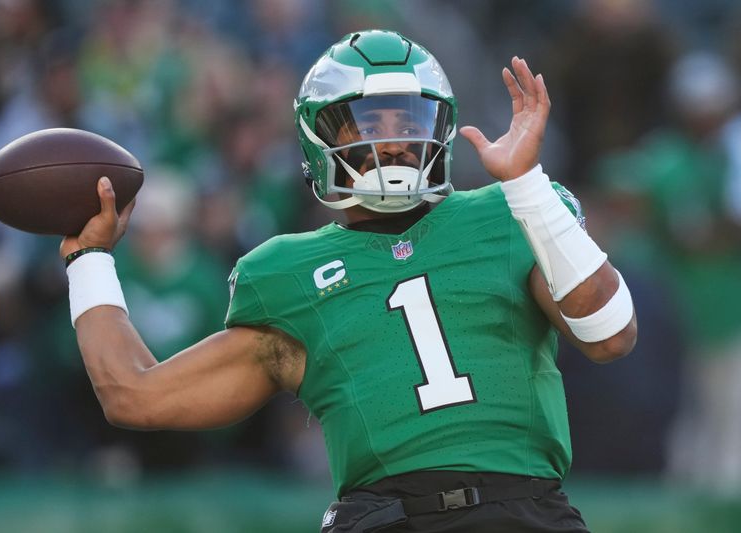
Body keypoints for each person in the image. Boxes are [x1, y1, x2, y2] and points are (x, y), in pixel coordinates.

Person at [60, 30, 637, 532]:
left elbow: (609, 335)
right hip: (387, 518)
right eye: (366, 122)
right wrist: (89, 260)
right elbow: (133, 395)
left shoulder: (515, 211)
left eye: (408, 121)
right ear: (319, 139)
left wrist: (528, 184)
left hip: (524, 514)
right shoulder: (285, 272)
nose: (391, 141)